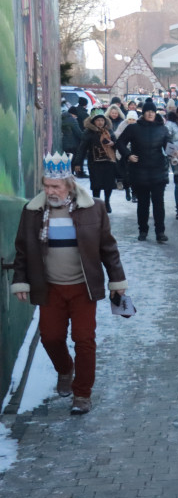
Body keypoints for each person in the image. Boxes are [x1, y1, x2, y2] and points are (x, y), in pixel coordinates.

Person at [11, 154, 128, 415]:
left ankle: (82, 394)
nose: (50, 191)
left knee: (84, 339)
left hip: (83, 287)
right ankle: (65, 369)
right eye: (47, 186)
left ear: (69, 186)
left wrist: (117, 281)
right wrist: (20, 281)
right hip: (49, 287)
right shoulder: (33, 212)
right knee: (51, 337)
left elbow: (108, 248)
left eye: (56, 186)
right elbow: (23, 250)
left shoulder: (94, 208)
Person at [116, 100, 172, 242]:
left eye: (152, 112)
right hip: (139, 170)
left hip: (158, 170)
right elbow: (120, 142)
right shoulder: (134, 128)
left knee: (159, 203)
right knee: (143, 203)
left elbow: (169, 146)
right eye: (147, 111)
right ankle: (143, 230)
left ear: (155, 113)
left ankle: (160, 232)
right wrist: (128, 155)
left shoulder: (162, 129)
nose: (150, 114)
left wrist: (174, 153)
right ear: (143, 113)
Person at [73, 112, 118, 214]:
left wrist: (113, 143)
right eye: (98, 120)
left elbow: (116, 144)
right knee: (96, 184)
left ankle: (107, 202)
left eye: (102, 120)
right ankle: (96, 203)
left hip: (108, 161)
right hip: (95, 162)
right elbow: (82, 148)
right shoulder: (88, 133)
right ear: (93, 122)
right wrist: (77, 163)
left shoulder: (109, 131)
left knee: (109, 184)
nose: (100, 122)